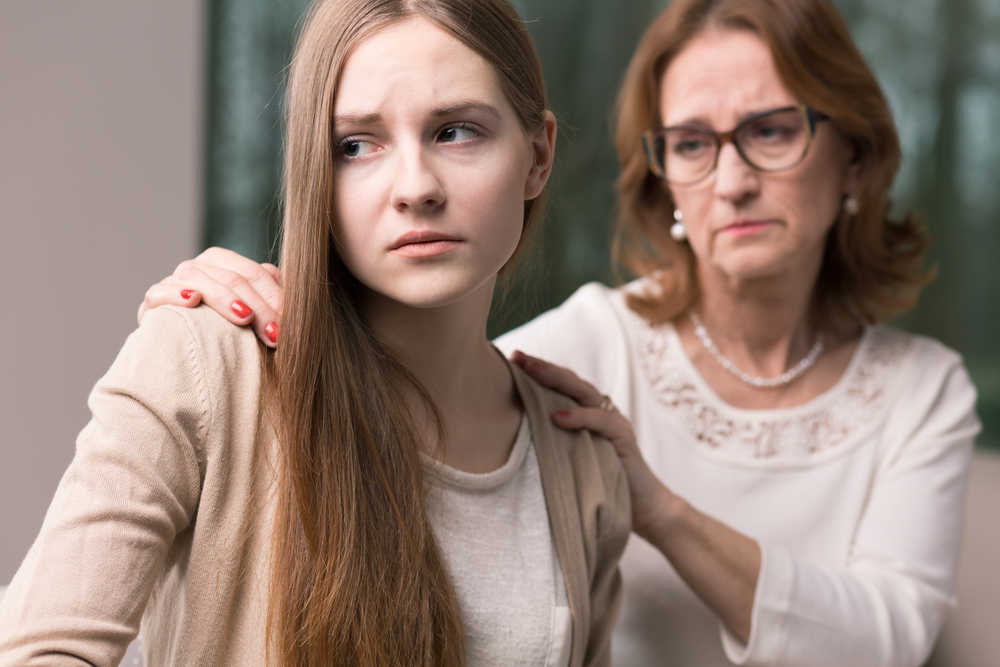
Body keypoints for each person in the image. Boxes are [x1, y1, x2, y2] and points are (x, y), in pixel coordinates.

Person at [142, 0, 982, 665]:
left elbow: (886, 642)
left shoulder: (923, 388)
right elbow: (409, 401)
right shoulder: (591, 344)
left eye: (769, 130)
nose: (730, 180)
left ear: (857, 160)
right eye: (691, 142)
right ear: (665, 180)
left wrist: (661, 511)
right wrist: (233, 316)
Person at [0, 1, 633, 666]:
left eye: (456, 132)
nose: (415, 187)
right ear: (315, 176)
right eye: (356, 145)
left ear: (538, 155)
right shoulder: (204, 362)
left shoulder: (581, 464)